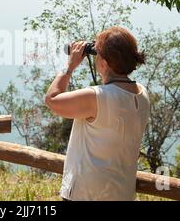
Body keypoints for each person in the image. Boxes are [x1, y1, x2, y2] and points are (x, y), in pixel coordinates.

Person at [44, 26, 150, 201]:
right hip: (122, 194)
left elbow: (52, 100)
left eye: (98, 54)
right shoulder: (142, 93)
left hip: (86, 195)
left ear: (104, 63)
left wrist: (70, 67)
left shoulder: (97, 97)